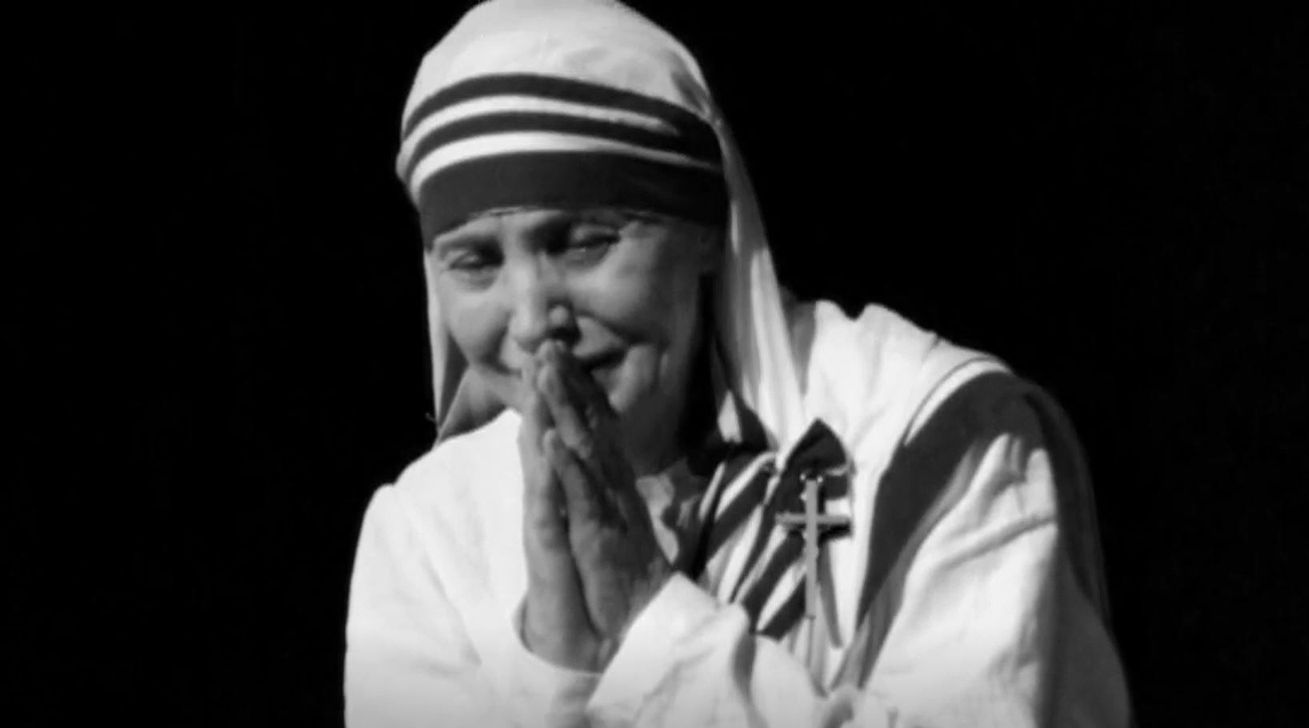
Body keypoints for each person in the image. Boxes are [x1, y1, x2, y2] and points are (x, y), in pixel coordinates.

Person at [344, 1, 1132, 725]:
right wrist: (560, 669)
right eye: (475, 263)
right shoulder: (429, 531)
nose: (531, 324)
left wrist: (650, 622)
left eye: (584, 243)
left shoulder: (928, 438)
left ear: (705, 232)